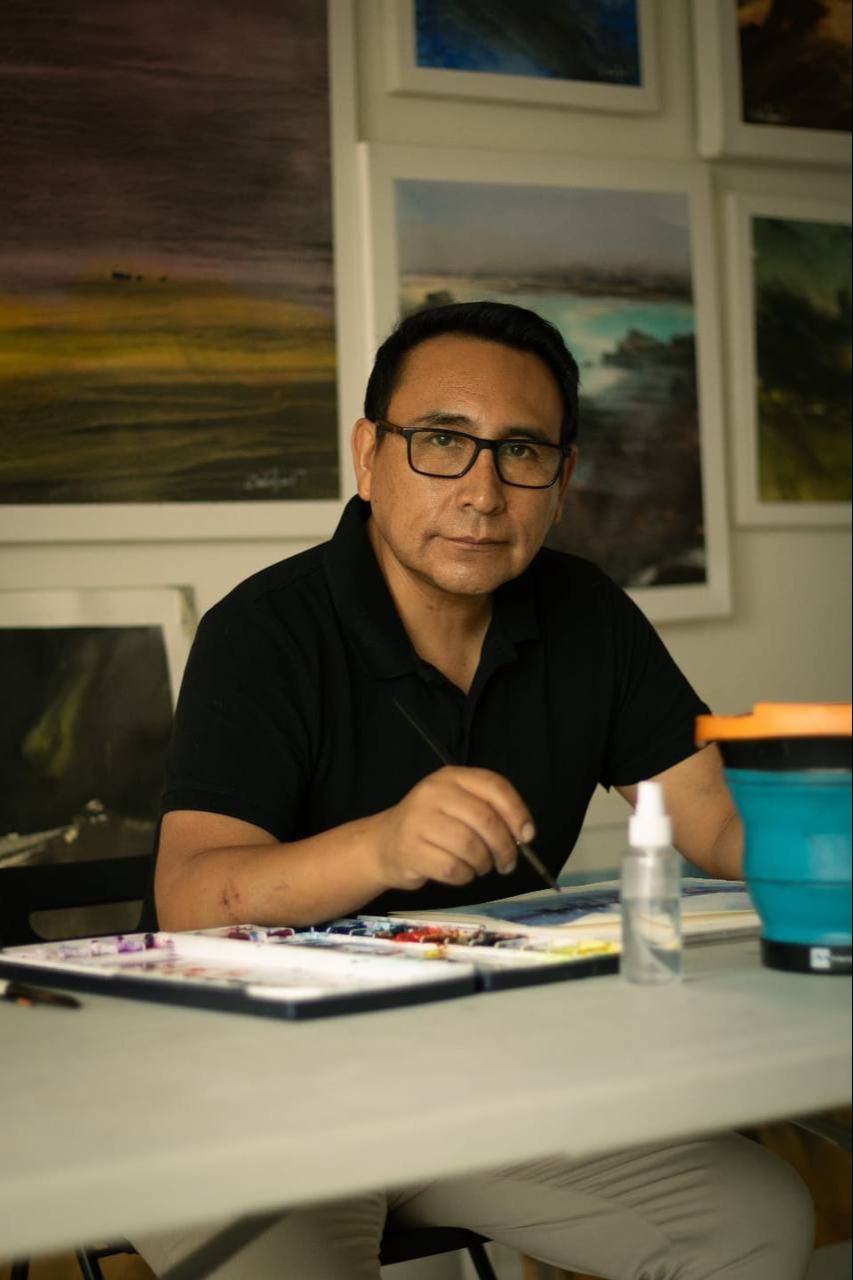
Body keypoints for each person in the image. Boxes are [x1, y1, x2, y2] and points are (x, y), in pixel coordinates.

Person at [141, 302, 814, 1279]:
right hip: (240, 1081)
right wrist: (382, 845)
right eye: (442, 441)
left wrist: (821, 831)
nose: (483, 492)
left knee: (755, 1217)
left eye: (521, 452)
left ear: (561, 480)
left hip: (479, 1070)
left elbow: (707, 812)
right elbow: (191, 898)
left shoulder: (587, 613)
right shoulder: (263, 631)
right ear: (369, 454)